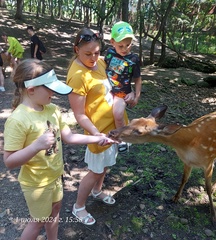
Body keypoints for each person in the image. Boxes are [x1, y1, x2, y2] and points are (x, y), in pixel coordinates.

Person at [3, 59, 115, 239]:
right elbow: (9, 161)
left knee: (55, 210)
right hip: (36, 184)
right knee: (38, 221)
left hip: (55, 176)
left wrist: (96, 137)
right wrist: (36, 146)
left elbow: (69, 137)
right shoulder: (18, 120)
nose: (54, 94)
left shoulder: (53, 109)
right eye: (49, 89)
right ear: (31, 90)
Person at [66, 28, 134, 225]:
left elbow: (116, 85)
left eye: (97, 52)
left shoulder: (102, 62)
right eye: (88, 53)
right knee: (95, 170)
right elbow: (79, 114)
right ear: (76, 50)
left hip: (114, 128)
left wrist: (130, 95)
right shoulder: (77, 76)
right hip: (98, 132)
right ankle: (78, 206)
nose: (94, 58)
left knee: (104, 166)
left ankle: (97, 191)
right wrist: (96, 134)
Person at [105, 21, 142, 152]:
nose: (125, 49)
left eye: (128, 45)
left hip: (121, 93)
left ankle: (121, 139)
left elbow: (137, 79)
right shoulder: (109, 54)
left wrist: (136, 95)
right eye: (120, 46)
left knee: (118, 113)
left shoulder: (134, 59)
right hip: (107, 89)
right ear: (112, 42)